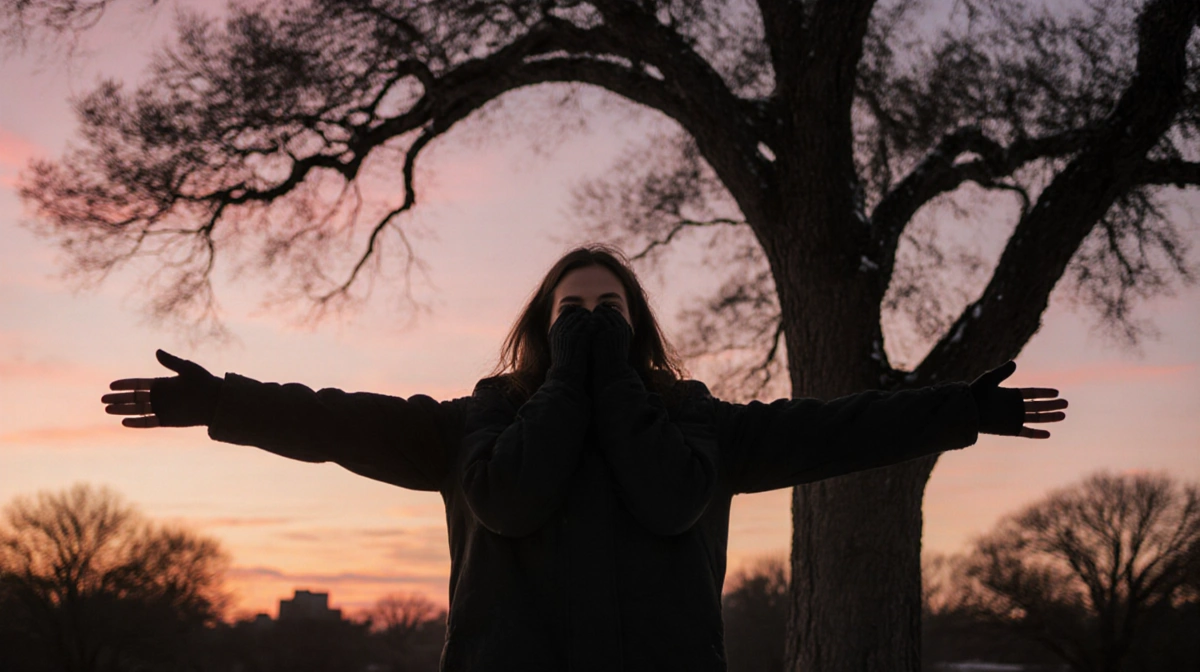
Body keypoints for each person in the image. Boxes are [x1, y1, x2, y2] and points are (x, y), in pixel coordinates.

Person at [101, 244, 1067, 672]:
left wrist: (956, 411)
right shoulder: (468, 426)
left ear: (640, 331)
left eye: (610, 313)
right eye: (572, 313)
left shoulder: (700, 426)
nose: (592, 326)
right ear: (539, 329)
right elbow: (336, 420)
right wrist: (219, 400)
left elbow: (834, 429)